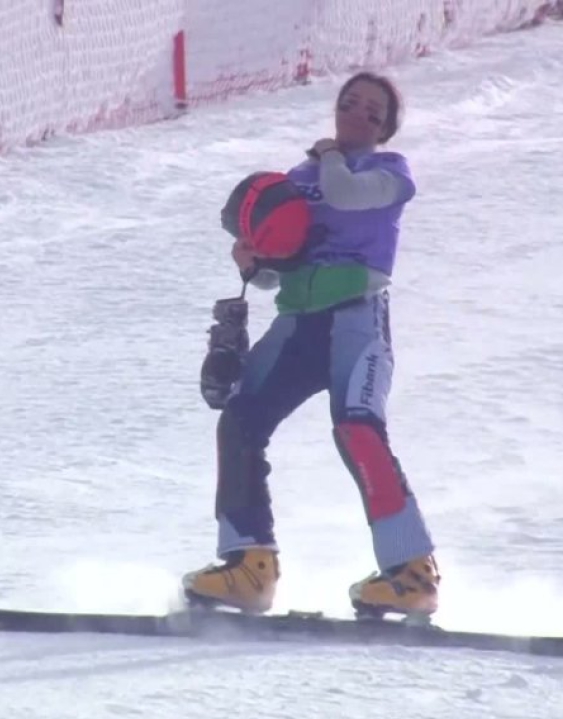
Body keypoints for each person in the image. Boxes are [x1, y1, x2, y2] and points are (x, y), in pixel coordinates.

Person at [183, 71, 440, 619]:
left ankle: (411, 571)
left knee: (358, 430)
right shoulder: (300, 179)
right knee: (241, 418)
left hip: (356, 321)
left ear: (385, 129)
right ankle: (249, 564)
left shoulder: (390, 173)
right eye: (351, 102)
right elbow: (277, 269)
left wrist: (327, 156)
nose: (358, 113)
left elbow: (345, 194)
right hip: (299, 323)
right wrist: (253, 259)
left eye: (373, 111)